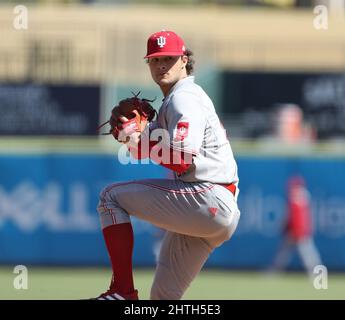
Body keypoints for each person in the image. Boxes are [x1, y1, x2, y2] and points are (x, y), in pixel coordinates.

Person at [93, 30, 240, 300]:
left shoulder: (184, 96)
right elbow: (150, 151)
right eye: (155, 59)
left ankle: (123, 290)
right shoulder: (176, 99)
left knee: (109, 198)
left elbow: (182, 158)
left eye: (169, 58)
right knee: (164, 297)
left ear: (184, 60)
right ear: (148, 64)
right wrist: (138, 136)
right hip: (211, 208)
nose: (162, 65)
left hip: (208, 197)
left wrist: (140, 138)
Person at [269, 175, 322, 279]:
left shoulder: (297, 197)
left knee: (308, 255)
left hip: (299, 232)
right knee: (284, 254)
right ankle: (274, 273)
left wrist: (288, 228)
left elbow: (294, 217)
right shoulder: (303, 197)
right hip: (295, 231)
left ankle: (318, 274)